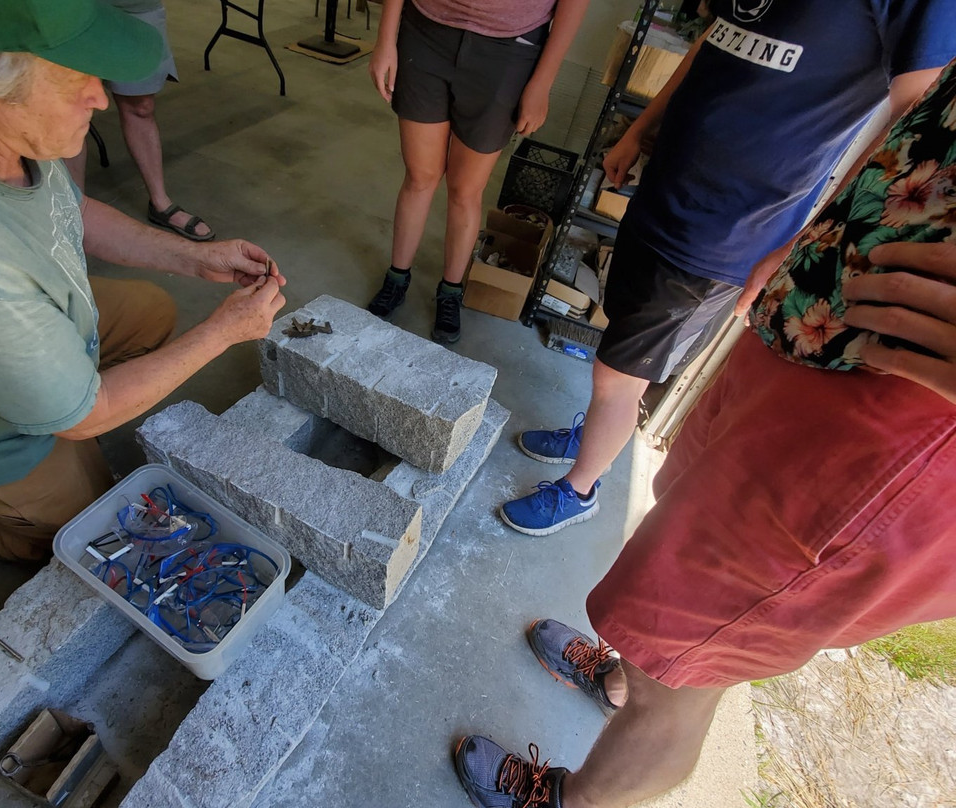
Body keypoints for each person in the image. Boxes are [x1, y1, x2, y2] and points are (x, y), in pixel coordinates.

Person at [454, 57, 956, 808]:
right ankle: (626, 682)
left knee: (695, 660)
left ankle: (571, 800)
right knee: (679, 577)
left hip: (891, 428)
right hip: (818, 334)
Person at [500, 0, 956, 535]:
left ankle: (580, 490)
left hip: (729, 228)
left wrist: (802, 242)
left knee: (620, 371)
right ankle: (592, 435)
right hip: (667, 185)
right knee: (619, 341)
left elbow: (914, 122)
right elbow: (712, 40)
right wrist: (639, 129)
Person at [0, 0, 286, 562]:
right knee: (83, 536)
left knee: (150, 313)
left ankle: (46, 386)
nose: (99, 96)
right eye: (74, 78)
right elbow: (87, 418)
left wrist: (194, 257)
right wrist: (224, 332)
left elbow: (67, 207)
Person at [365, 0, 588, 344]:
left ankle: (450, 291)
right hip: (426, 30)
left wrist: (543, 82)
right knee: (420, 176)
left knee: (465, 189)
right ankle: (397, 277)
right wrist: (385, 39)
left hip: (508, 48)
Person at [66, 0, 213, 241]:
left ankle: (160, 203)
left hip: (136, 6)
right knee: (74, 107)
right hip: (77, 8)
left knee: (141, 106)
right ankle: (73, 208)